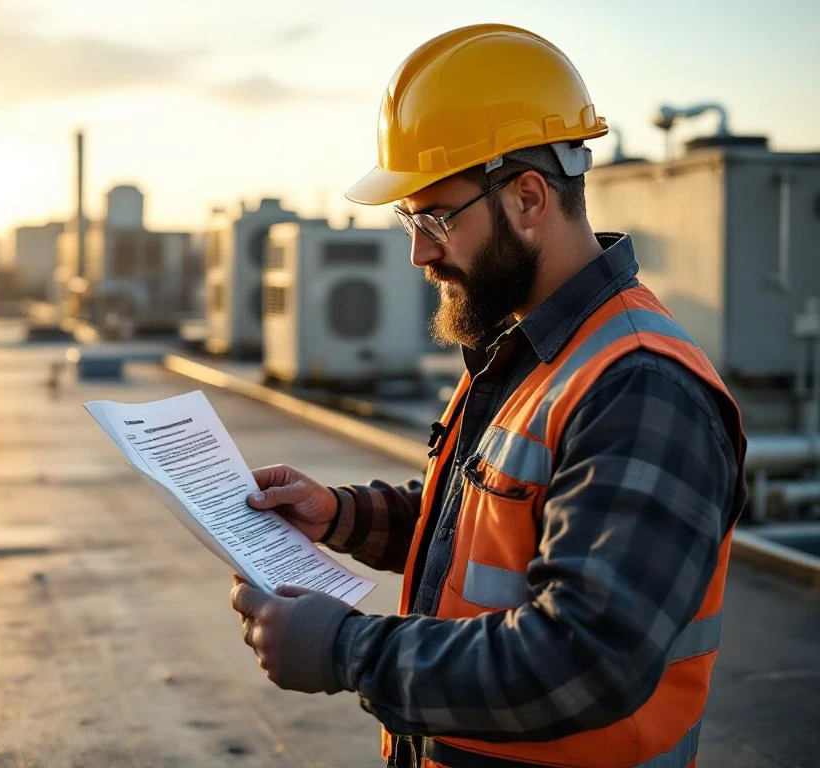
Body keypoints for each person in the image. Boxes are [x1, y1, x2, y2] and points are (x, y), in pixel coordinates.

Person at [230, 23, 747, 768]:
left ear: (529, 198)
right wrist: (341, 515)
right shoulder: (534, 350)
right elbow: (487, 529)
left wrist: (345, 649)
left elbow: (583, 659)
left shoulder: (639, 386)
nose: (419, 251)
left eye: (436, 216)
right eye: (410, 220)